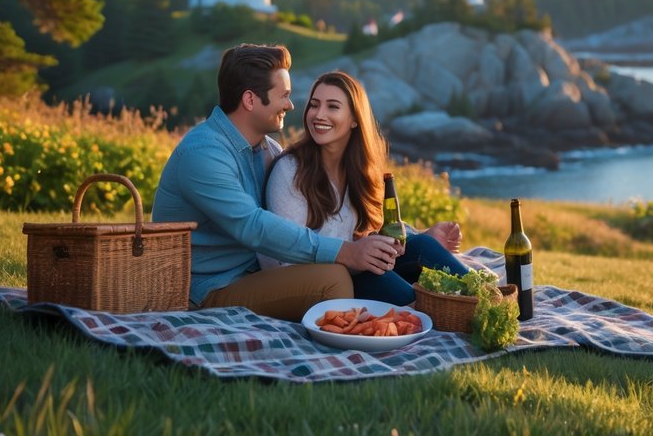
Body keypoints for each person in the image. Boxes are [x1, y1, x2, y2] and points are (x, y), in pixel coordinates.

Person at [151, 44, 402, 321]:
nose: (291, 105)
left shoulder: (267, 150)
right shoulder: (203, 154)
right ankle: (348, 348)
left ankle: (403, 315)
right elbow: (252, 226)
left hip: (250, 276)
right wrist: (344, 252)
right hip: (205, 289)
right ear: (250, 100)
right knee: (333, 279)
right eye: (283, 95)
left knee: (368, 268)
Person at [260, 70, 469, 305]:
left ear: (355, 119)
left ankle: (486, 298)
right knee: (403, 295)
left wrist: (411, 238)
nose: (319, 115)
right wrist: (352, 255)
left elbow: (373, 230)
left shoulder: (357, 171)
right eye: (314, 105)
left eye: (332, 107)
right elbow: (284, 258)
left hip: (356, 269)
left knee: (424, 245)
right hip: (323, 283)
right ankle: (437, 313)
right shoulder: (290, 170)